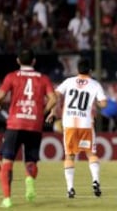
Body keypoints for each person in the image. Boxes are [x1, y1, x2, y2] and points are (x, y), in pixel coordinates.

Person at [0, 48, 57, 208]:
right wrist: (41, 113)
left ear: (18, 61)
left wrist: (0, 104)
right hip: (34, 124)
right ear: (34, 62)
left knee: (7, 161)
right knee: (30, 160)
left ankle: (7, 198)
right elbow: (53, 98)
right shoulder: (43, 78)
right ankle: (29, 180)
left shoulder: (12, 76)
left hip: (15, 123)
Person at [46, 58, 107, 198]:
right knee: (91, 153)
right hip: (86, 123)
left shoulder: (69, 81)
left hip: (69, 124)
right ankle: (96, 181)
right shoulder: (95, 85)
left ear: (77, 70)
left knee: (69, 155)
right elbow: (103, 104)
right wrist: (96, 104)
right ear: (90, 71)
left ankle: (70, 189)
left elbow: (55, 96)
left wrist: (53, 111)